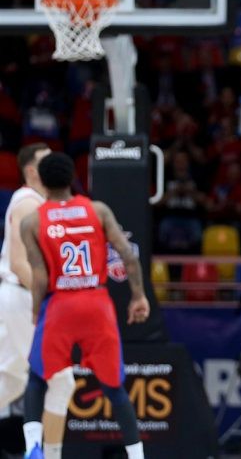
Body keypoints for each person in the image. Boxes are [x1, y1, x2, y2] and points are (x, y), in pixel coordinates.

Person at [19, 152, 150, 459]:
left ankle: (33, 447)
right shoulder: (98, 210)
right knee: (114, 387)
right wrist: (138, 296)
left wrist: (36, 311)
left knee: (37, 378)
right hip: (96, 302)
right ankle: (137, 456)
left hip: (60, 304)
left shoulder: (32, 221)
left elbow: (39, 277)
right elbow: (128, 256)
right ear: (72, 178)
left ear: (43, 182)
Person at [0, 144, 76, 459]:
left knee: (9, 381)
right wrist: (53, 298)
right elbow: (19, 264)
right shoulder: (28, 202)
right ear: (32, 170)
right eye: (46, 161)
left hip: (18, 296)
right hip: (22, 296)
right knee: (62, 380)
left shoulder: (42, 203)